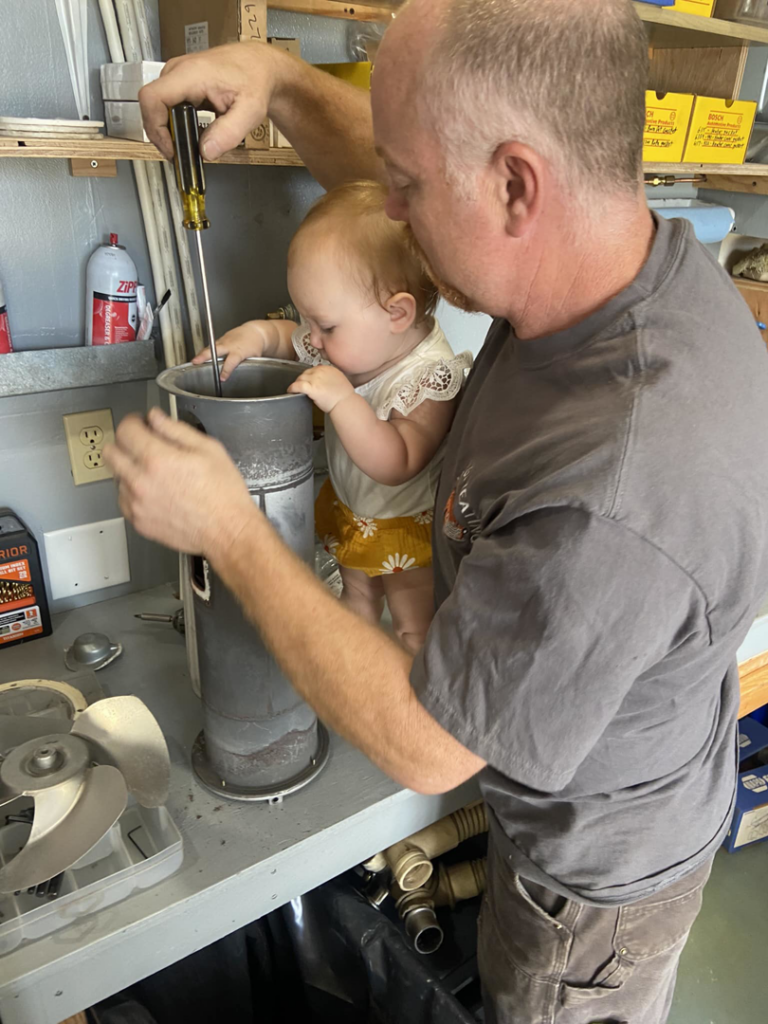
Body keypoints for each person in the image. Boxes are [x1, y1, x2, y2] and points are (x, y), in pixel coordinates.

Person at [106, 0, 768, 1020]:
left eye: (409, 188)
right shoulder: (615, 265)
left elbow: (429, 742)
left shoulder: (618, 480)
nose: (392, 209)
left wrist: (230, 529)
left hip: (588, 901)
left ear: (515, 183)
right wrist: (279, 79)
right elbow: (383, 193)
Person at [191, 180, 472, 653]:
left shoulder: (428, 376)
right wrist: (255, 337)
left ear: (397, 313)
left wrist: (344, 403)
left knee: (414, 626)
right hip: (354, 513)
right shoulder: (350, 347)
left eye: (325, 325)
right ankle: (353, 668)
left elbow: (398, 461)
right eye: (307, 319)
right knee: (356, 599)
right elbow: (288, 337)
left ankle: (412, 705)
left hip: (406, 525)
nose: (312, 338)